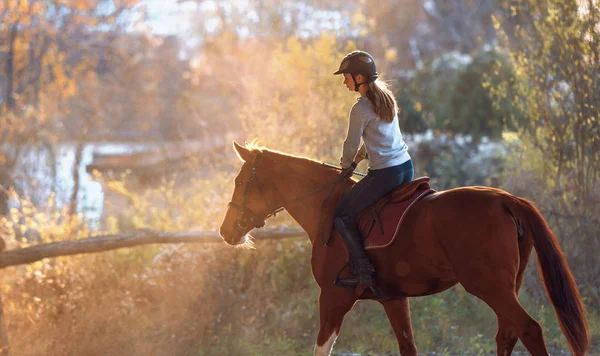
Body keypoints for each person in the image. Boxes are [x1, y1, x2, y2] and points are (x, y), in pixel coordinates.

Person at [332, 50, 414, 293]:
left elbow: (351, 143)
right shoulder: (385, 97)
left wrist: (345, 166)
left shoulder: (360, 109)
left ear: (359, 77)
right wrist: (357, 162)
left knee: (342, 215)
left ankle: (362, 270)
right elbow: (377, 139)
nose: (344, 80)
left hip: (385, 174)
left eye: (346, 76)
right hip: (405, 168)